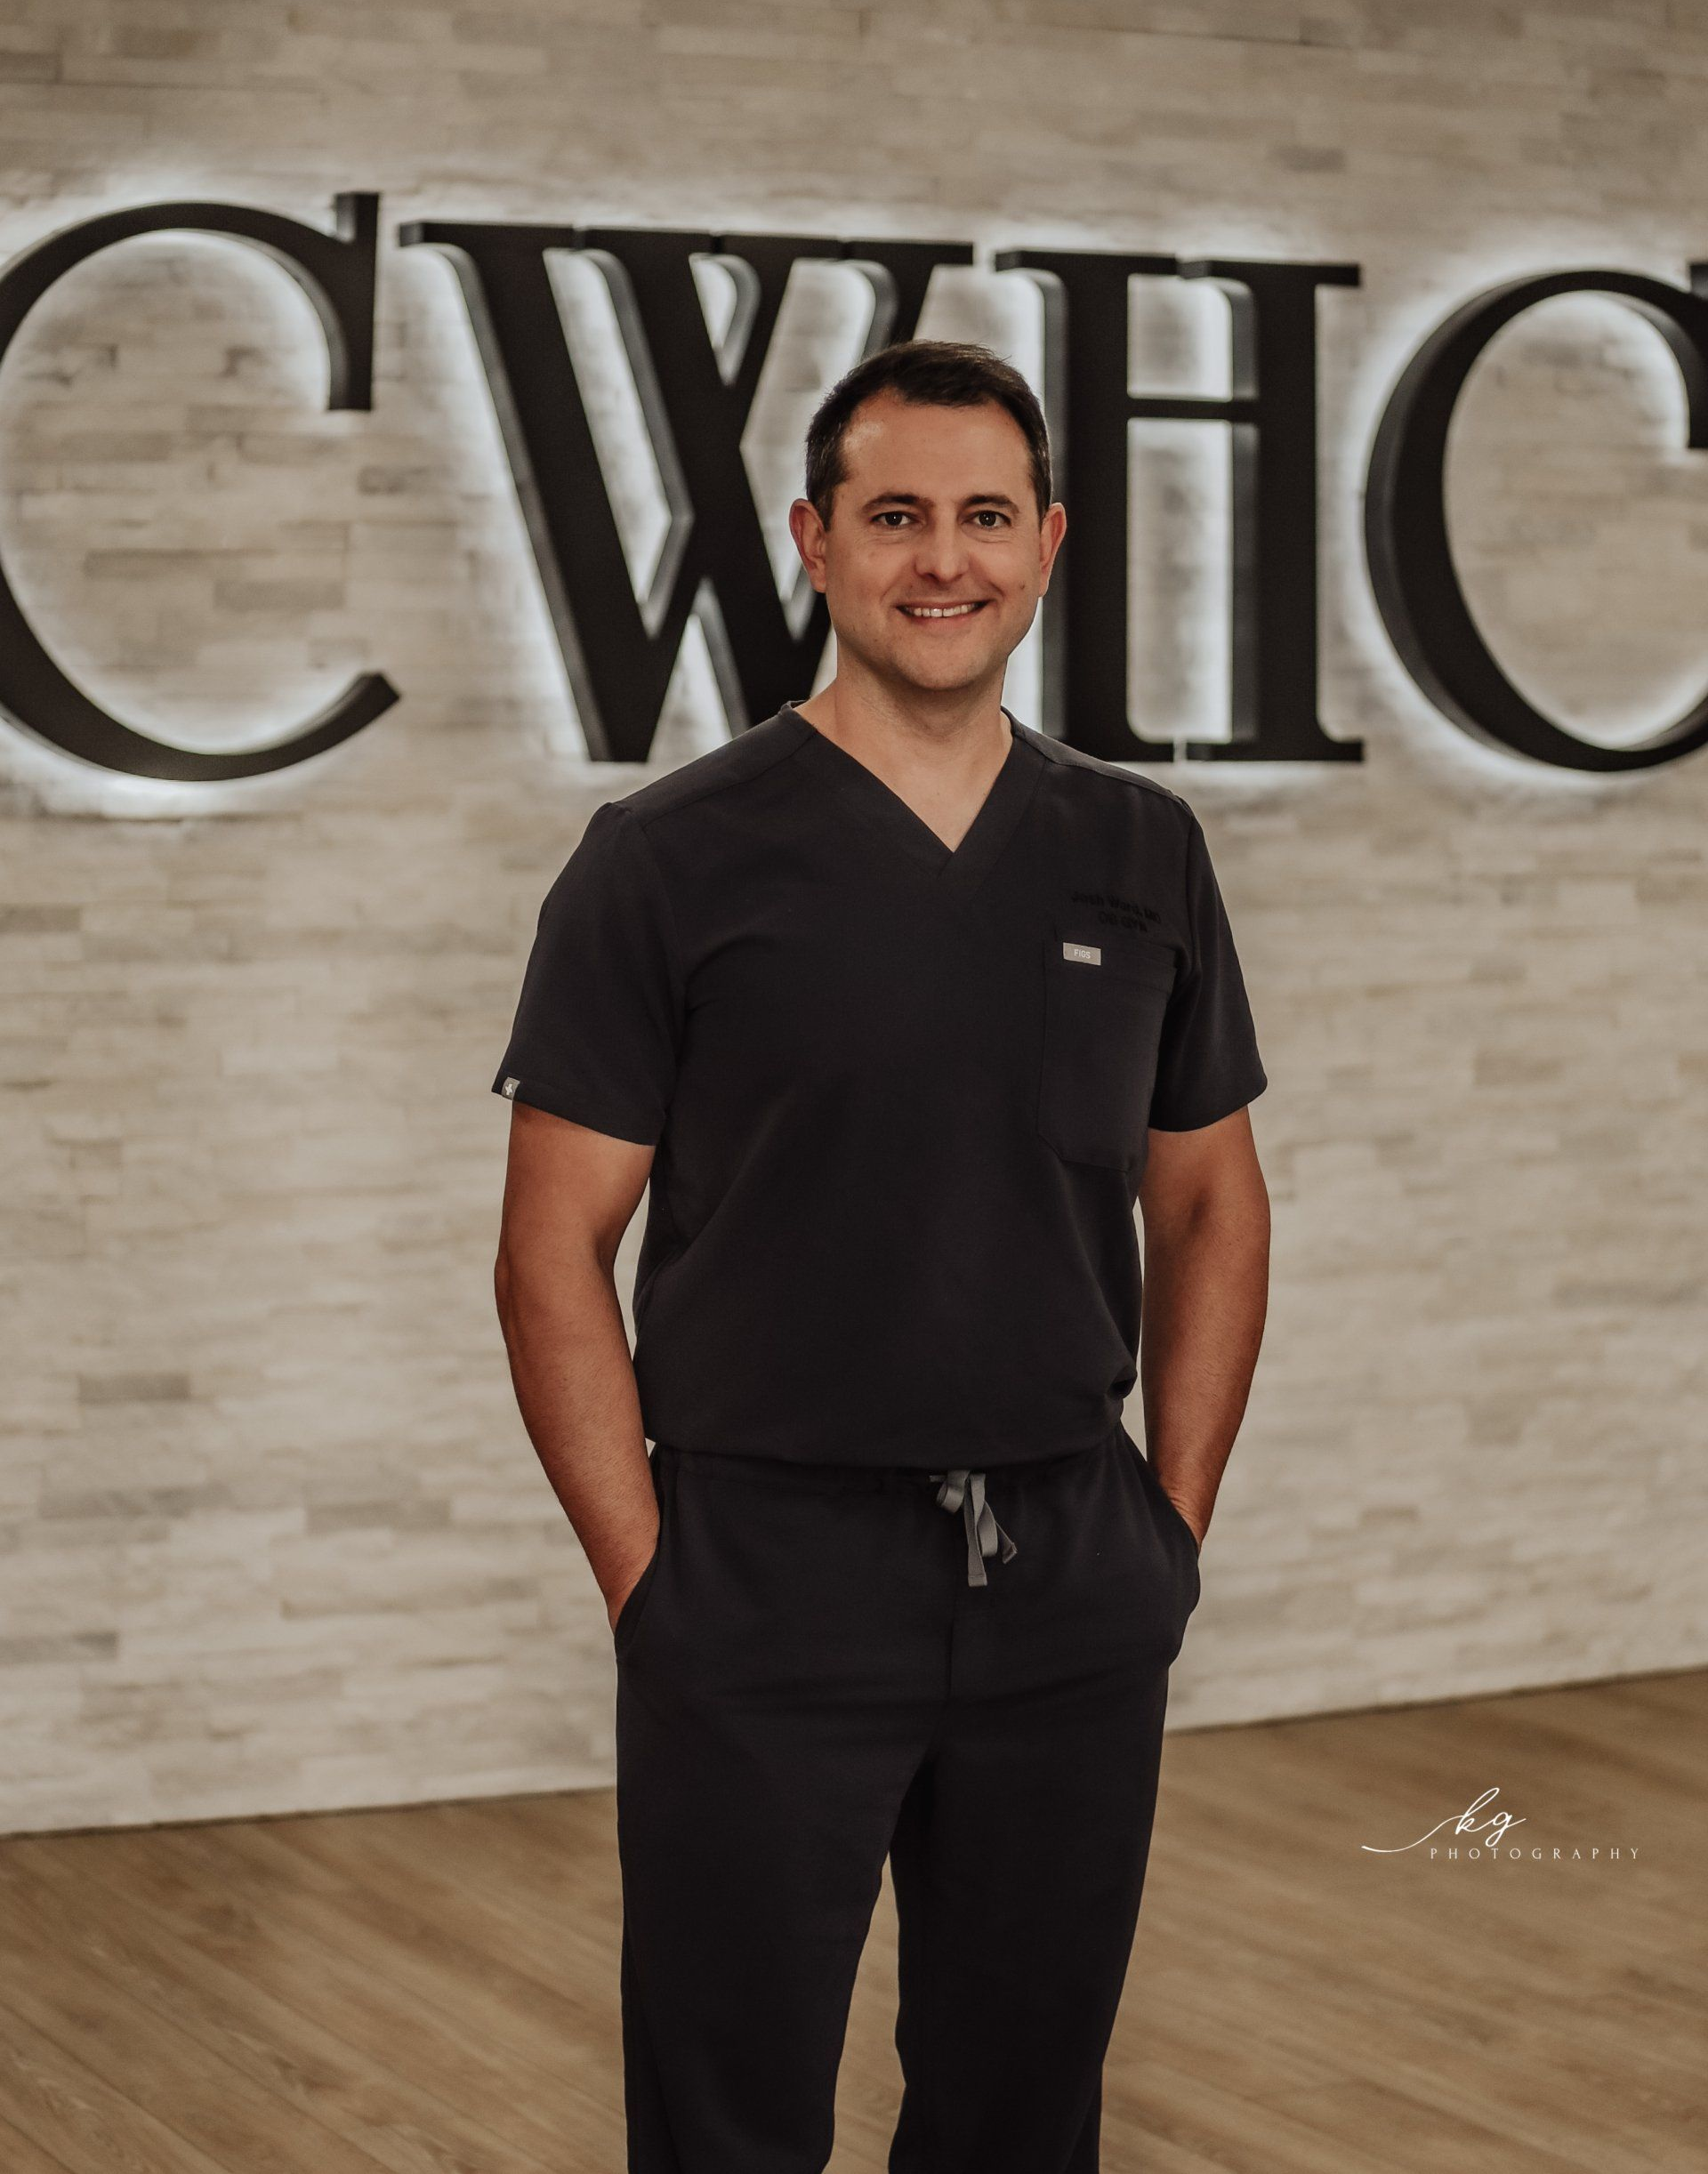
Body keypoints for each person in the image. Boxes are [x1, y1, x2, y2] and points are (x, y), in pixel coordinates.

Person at [491, 337, 1270, 2173]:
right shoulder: (665, 860)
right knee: (728, 2113)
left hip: (1071, 1573)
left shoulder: (1137, 849)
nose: (946, 558)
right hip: (763, 1574)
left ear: (1051, 541)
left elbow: (1214, 1199)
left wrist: (1166, 1529)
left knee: (1021, 2111)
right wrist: (650, 1583)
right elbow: (551, 1250)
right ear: (815, 544)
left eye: (986, 516)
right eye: (897, 514)